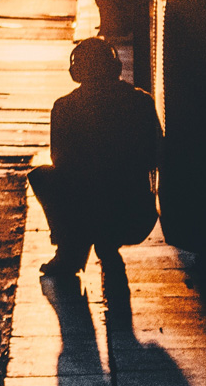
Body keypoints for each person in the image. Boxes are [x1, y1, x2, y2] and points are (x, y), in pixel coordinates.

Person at [27, 37, 163, 277]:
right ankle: (105, 241)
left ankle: (69, 251)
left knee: (42, 176)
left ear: (76, 70)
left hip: (82, 215)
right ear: (115, 67)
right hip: (135, 216)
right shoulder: (142, 101)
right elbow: (155, 155)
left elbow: (60, 160)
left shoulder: (64, 106)